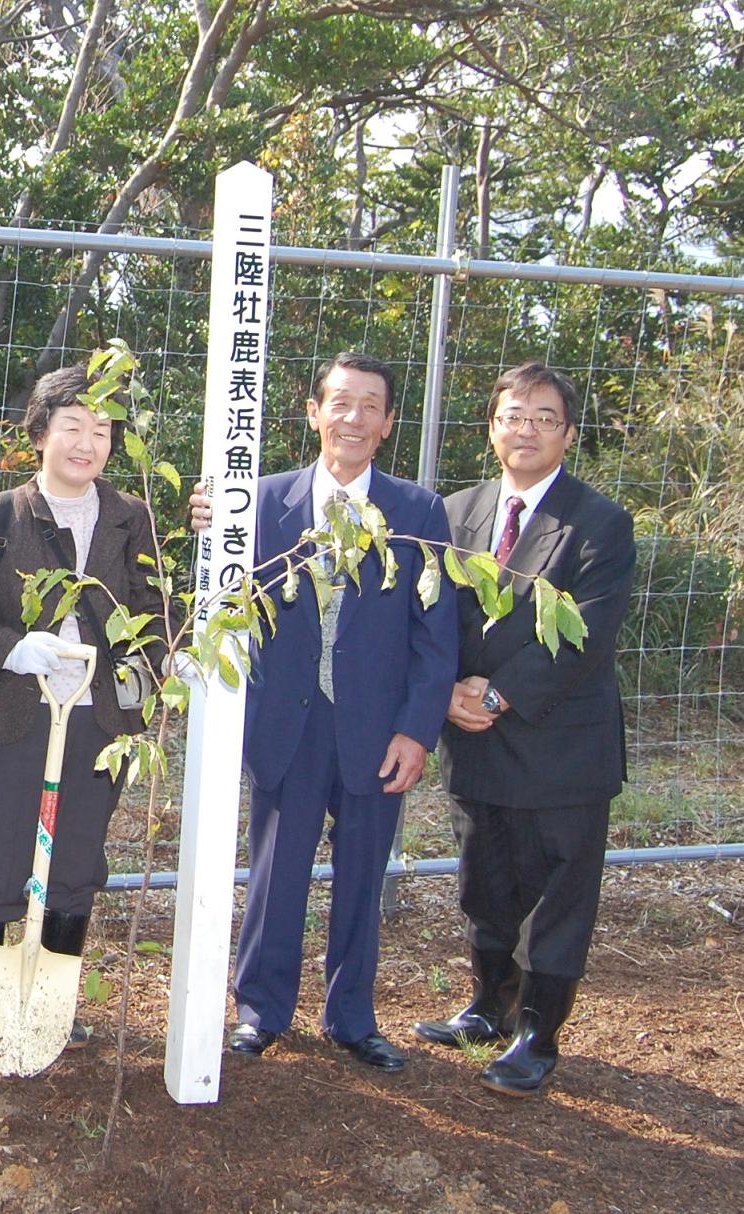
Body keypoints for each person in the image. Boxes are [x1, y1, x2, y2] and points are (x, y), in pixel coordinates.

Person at [191, 352, 457, 1070]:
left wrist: (416, 729)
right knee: (276, 870)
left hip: (375, 726)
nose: (353, 418)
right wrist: (205, 527)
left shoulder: (417, 509)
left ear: (388, 423)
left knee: (364, 874)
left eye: (370, 405)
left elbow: (436, 635)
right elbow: (216, 602)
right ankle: (260, 1009)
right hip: (287, 720)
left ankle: (351, 1016)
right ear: (313, 413)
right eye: (339, 403)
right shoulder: (259, 501)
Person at [414, 362, 635, 1097]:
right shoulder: (455, 512)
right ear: (492, 427)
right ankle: (486, 1005)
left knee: (558, 891)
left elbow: (587, 634)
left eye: (544, 417)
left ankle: (538, 1029)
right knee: (486, 882)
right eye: (514, 415)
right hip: (471, 736)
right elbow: (428, 613)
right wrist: (446, 688)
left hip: (559, 744)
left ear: (568, 433)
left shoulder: (598, 521)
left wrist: (500, 694)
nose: (527, 429)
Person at [0, 363, 162, 1041]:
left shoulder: (132, 519)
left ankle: (51, 995)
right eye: (71, 426)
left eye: (101, 430)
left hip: (99, 720)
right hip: (15, 712)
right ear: (39, 432)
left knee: (75, 860)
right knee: (2, 855)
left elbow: (157, 614)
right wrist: (12, 649)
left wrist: (145, 674)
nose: (86, 443)